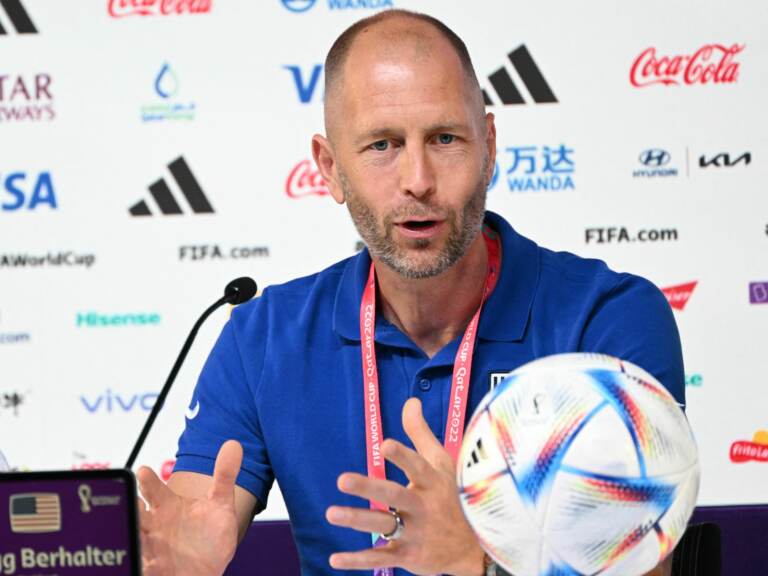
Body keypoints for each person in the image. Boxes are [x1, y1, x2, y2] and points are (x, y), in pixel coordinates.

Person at [137, 9, 683, 576]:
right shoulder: (263, 336)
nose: (417, 179)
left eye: (445, 138)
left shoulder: (606, 320)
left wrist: (479, 563)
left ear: (490, 147)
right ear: (329, 168)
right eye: (382, 145)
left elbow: (642, 570)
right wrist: (183, 569)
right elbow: (196, 516)